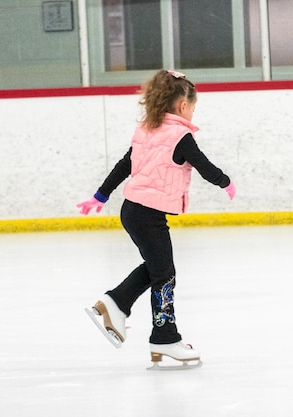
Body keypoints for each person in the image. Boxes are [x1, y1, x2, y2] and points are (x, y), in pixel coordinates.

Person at [77, 69, 235, 364]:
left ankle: (117, 304)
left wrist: (101, 195)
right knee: (164, 274)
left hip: (132, 210)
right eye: (193, 109)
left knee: (159, 268)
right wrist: (225, 181)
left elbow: (125, 165)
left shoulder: (147, 129)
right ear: (184, 106)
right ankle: (163, 337)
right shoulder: (181, 135)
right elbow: (203, 165)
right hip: (147, 214)